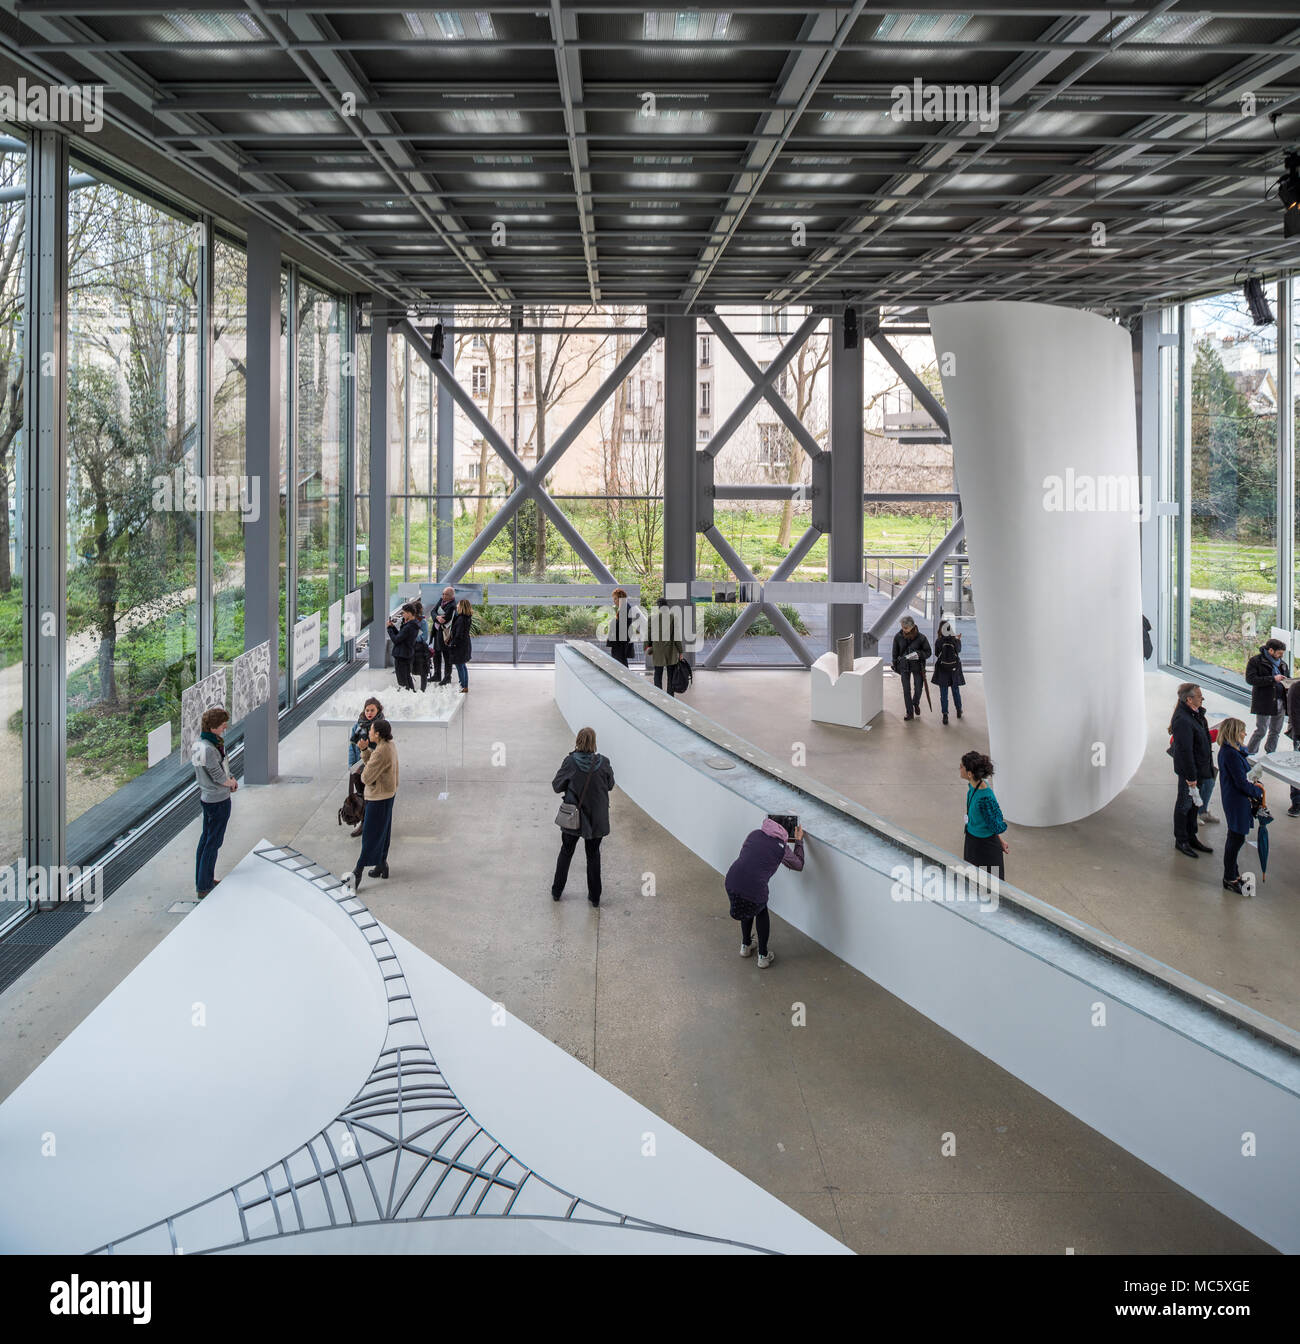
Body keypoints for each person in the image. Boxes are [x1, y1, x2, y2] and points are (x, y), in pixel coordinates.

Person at [723, 817, 805, 968]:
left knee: (745, 906)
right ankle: (763, 956)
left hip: (732, 881)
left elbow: (747, 855)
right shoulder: (781, 847)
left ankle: (746, 946)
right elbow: (798, 865)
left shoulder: (754, 834)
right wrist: (799, 841)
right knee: (760, 911)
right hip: (754, 890)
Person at [551, 727, 615, 906]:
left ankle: (557, 891)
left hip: (574, 817)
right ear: (594, 742)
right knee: (593, 855)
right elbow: (610, 785)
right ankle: (595, 897)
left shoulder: (570, 762)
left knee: (566, 852)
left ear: (578, 740)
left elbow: (557, 786)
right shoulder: (604, 762)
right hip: (596, 819)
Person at [193, 705, 237, 900]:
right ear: (213, 727)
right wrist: (231, 783)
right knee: (213, 842)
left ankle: (204, 880)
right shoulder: (210, 749)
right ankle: (204, 885)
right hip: (218, 800)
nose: (224, 728)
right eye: (222, 725)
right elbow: (218, 775)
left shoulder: (198, 745)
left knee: (206, 841)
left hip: (207, 798)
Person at [350, 718, 398, 891]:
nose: (368, 732)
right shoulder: (388, 744)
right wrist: (364, 750)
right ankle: (381, 865)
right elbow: (376, 764)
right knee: (383, 831)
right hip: (388, 793)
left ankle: (358, 872)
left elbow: (366, 777)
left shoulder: (380, 751)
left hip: (379, 797)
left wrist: (364, 754)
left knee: (370, 835)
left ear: (377, 734)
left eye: (371, 730)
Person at [1217, 717, 1263, 896]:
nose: (1245, 734)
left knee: (1236, 837)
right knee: (1235, 838)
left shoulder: (1231, 751)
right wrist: (1257, 791)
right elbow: (1241, 783)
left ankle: (1233, 873)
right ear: (1234, 732)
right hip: (1236, 800)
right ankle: (1229, 877)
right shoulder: (1230, 754)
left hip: (1235, 798)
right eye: (1243, 731)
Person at [1169, 683, 1214, 859]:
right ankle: (1181, 840)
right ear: (1189, 699)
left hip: (1200, 769)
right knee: (1184, 805)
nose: (1202, 698)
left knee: (1194, 805)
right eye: (1199, 696)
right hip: (1191, 772)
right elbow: (1185, 751)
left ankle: (1191, 836)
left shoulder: (1196, 715)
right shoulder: (1183, 720)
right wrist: (1191, 777)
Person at [959, 751, 1008, 882]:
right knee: (972, 881)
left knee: (992, 885)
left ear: (969, 774)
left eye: (961, 766)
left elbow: (995, 823)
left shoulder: (985, 798)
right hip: (972, 840)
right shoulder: (973, 786)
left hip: (985, 847)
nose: (959, 769)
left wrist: (998, 841)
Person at [1245, 638, 1290, 754]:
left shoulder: (1283, 664)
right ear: (1271, 650)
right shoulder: (1256, 661)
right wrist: (1273, 679)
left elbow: (1287, 680)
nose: (1281, 656)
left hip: (1280, 701)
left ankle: (1270, 753)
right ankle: (1250, 753)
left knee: (1275, 731)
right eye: (1279, 653)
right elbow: (1250, 679)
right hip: (1264, 701)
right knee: (1261, 730)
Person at [347, 696, 383, 837]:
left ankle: (373, 825)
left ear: (378, 710)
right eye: (367, 710)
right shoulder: (358, 726)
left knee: (373, 798)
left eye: (372, 710)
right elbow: (351, 747)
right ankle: (364, 823)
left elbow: (382, 749)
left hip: (372, 768)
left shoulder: (380, 726)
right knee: (361, 797)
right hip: (358, 767)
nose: (369, 713)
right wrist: (351, 766)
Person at [891, 615, 931, 721]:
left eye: (906, 628)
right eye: (902, 627)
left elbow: (928, 652)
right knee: (906, 690)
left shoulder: (921, 638)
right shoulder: (898, 637)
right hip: (904, 667)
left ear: (912, 626)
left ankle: (915, 702)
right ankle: (909, 712)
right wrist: (895, 665)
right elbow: (895, 653)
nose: (903, 629)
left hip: (918, 667)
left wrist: (919, 654)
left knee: (918, 688)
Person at [647, 596, 683, 697]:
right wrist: (680, 651)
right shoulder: (673, 618)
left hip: (657, 650)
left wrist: (648, 647)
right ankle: (670, 696)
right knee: (671, 674)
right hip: (670, 651)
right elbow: (676, 636)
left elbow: (648, 635)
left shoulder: (652, 618)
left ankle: (658, 695)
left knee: (658, 674)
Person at [931, 618, 964, 725]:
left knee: (944, 693)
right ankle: (959, 710)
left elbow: (937, 654)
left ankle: (945, 715)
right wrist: (958, 640)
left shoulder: (939, 641)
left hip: (942, 669)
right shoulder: (954, 640)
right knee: (955, 690)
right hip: (954, 668)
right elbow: (958, 651)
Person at [387, 603, 420, 691]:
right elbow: (401, 637)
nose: (402, 615)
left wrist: (389, 629)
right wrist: (393, 628)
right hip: (407, 654)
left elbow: (396, 640)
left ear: (409, 613)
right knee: (407, 678)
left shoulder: (409, 627)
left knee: (403, 681)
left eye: (403, 613)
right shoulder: (413, 624)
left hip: (401, 656)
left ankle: (407, 696)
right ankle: (412, 695)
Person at [444, 597, 473, 693]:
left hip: (459, 646)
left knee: (460, 666)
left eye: (458, 605)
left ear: (461, 607)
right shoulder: (467, 617)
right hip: (464, 645)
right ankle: (464, 685)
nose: (456, 606)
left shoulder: (461, 619)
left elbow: (458, 634)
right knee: (463, 666)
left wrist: (453, 644)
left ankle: (463, 686)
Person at [432, 586, 457, 686]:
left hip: (445, 634)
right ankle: (437, 675)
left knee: (446, 656)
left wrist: (438, 617)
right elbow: (432, 611)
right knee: (436, 654)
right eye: (443, 594)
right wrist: (437, 616)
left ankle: (447, 677)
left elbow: (445, 619)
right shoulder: (441, 600)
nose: (443, 596)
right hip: (437, 632)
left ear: (451, 596)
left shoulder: (452, 605)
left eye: (446, 594)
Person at [606, 587, 636, 667]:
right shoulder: (625, 607)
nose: (614, 601)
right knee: (621, 662)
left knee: (620, 663)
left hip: (620, 642)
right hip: (621, 641)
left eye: (615, 599)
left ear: (620, 598)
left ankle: (625, 678)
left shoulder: (624, 608)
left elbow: (620, 626)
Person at [1288, 677, 1300, 818]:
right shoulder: (1296, 688)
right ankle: (1297, 801)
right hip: (1299, 735)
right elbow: (1294, 714)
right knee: (1297, 768)